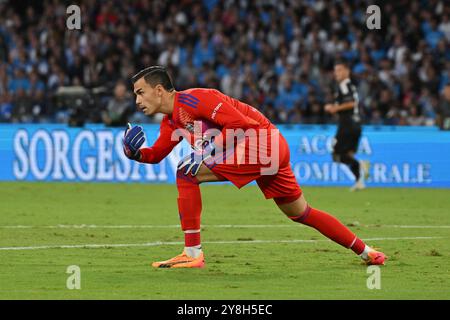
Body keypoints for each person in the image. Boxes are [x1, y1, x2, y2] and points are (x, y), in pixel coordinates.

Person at [123, 66, 386, 268]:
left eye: (140, 92)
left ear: (159, 90)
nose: (137, 100)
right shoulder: (171, 122)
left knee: (186, 172)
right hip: (270, 149)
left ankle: (192, 253)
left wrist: (206, 151)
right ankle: (367, 252)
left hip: (261, 143)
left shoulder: (195, 99)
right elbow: (156, 155)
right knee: (301, 213)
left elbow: (241, 125)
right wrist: (134, 153)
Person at [324, 60, 369, 191]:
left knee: (337, 155)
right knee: (348, 155)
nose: (336, 73)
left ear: (347, 71)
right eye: (335, 70)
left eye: (339, 70)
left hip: (347, 124)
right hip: (356, 124)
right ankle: (359, 181)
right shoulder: (348, 86)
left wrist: (334, 108)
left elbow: (352, 103)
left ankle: (360, 166)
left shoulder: (344, 85)